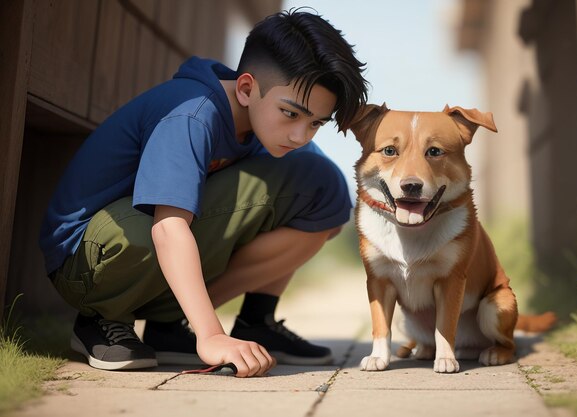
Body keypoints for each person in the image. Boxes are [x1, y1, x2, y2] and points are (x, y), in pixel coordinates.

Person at [39, 9, 368, 377]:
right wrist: (210, 334)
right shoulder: (193, 113)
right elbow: (168, 227)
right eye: (291, 114)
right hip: (90, 261)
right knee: (149, 233)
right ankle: (101, 318)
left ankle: (236, 322)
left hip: (143, 247)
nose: (300, 135)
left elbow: (324, 200)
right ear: (246, 89)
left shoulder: (265, 126)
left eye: (315, 123)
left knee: (324, 191)